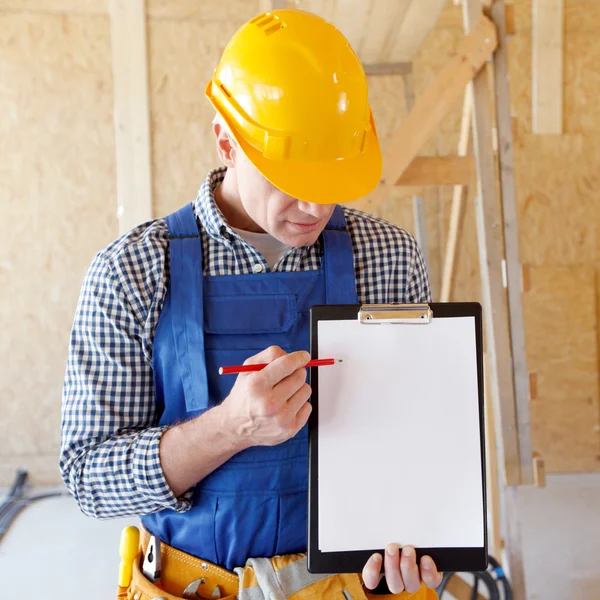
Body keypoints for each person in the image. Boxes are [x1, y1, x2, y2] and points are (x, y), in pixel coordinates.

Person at [60, 8, 441, 599]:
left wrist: (418, 533)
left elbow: (413, 442)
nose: (315, 208)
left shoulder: (388, 255)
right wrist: (230, 427)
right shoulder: (133, 272)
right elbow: (88, 479)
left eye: (332, 176)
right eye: (289, 176)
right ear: (226, 143)